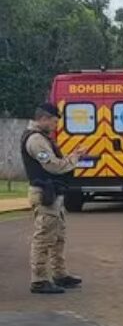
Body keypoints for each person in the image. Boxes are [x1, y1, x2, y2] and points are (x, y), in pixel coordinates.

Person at [21, 102, 85, 294]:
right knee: (44, 236)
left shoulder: (42, 138)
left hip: (52, 193)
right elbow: (53, 166)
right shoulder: (36, 140)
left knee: (58, 236)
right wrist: (74, 158)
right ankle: (39, 279)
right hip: (44, 193)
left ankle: (60, 274)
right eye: (54, 122)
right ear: (43, 119)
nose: (56, 126)